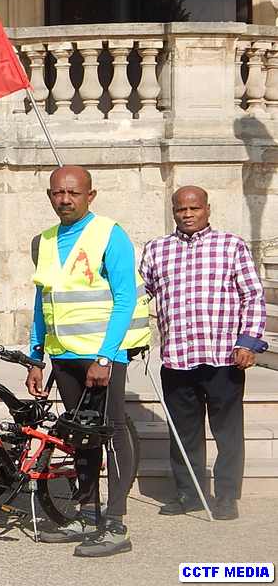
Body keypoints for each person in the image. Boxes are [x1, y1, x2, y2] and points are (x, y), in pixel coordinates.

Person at [25, 165, 150, 558]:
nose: (65, 200)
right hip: (63, 355)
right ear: (49, 195)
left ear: (90, 196)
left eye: (73, 193)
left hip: (102, 356)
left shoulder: (110, 234)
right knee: (81, 435)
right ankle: (86, 513)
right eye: (58, 193)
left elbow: (125, 299)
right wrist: (35, 357)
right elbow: (42, 302)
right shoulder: (44, 241)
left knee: (110, 432)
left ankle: (115, 523)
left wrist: (105, 356)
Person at [140, 185, 267, 521]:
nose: (187, 214)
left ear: (207, 209)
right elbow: (140, 296)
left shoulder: (231, 246)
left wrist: (248, 342)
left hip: (224, 358)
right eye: (181, 209)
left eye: (194, 208)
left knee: (227, 433)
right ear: (173, 211)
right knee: (184, 433)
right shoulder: (156, 249)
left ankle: (226, 496)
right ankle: (190, 494)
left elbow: (252, 296)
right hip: (177, 358)